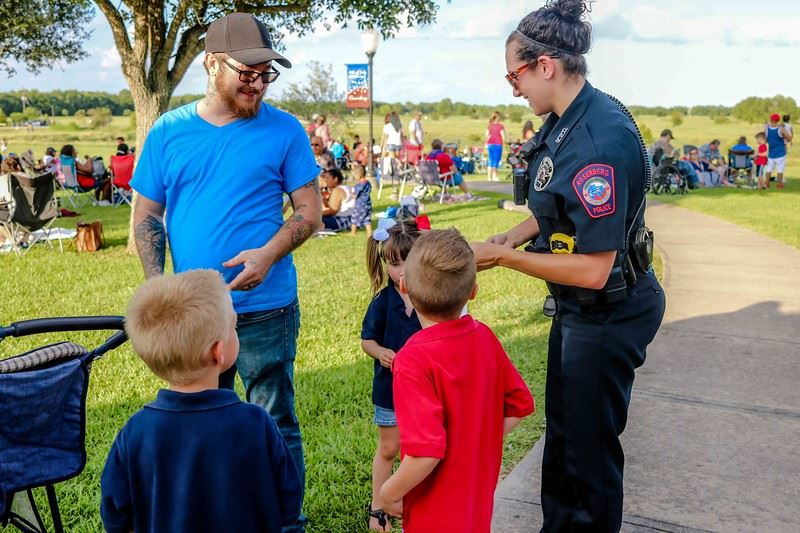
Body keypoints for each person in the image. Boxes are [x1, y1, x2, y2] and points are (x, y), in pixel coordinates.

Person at [470, 2, 666, 530]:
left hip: (608, 311)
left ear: (546, 67)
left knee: (588, 454)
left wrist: (506, 258)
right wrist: (512, 234)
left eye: (515, 74)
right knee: (563, 437)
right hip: (582, 310)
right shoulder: (567, 119)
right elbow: (553, 205)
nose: (513, 89)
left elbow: (595, 269)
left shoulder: (598, 141)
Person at [129, 13, 320, 532]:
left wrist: (269, 254)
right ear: (212, 64)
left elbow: (309, 213)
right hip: (197, 314)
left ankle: (285, 524)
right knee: (198, 426)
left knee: (275, 421)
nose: (258, 83)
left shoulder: (285, 130)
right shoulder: (169, 132)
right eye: (248, 71)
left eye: (267, 74)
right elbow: (146, 215)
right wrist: (158, 286)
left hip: (266, 309)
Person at [100, 270, 302, 533]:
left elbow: (115, 515)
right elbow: (289, 502)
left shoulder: (136, 431)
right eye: (234, 325)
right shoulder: (256, 422)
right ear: (218, 352)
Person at [379, 229, 535, 532]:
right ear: (473, 290)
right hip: (475, 505)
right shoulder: (485, 338)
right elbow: (518, 406)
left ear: (404, 285)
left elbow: (425, 452)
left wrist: (389, 492)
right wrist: (474, 444)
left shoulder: (412, 360)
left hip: (433, 514)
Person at [361, 218, 423, 531]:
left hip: (423, 392)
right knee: (388, 449)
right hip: (389, 389)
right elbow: (367, 340)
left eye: (407, 262)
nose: (400, 271)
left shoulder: (430, 297)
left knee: (419, 451)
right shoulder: (382, 302)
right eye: (393, 264)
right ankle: (378, 506)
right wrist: (379, 352)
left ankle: (411, 501)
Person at [764, 113, 792, 189]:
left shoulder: (767, 129)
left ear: (771, 119)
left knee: (769, 168)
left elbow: (765, 140)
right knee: (780, 168)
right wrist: (784, 137)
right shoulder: (781, 128)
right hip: (780, 153)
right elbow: (789, 138)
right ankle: (779, 184)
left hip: (771, 153)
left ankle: (767, 183)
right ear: (778, 120)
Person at [320, 167, 353, 231]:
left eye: (327, 178)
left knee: (312, 220)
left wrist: (318, 214)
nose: (325, 180)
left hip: (342, 220)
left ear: (335, 179)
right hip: (350, 220)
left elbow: (333, 211)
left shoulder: (338, 190)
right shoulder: (345, 187)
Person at [350, 164, 373, 236]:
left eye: (355, 176)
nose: (354, 178)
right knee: (367, 219)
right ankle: (369, 233)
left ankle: (353, 232)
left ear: (359, 176)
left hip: (360, 205)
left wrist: (352, 195)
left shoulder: (359, 185)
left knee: (354, 217)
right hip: (367, 203)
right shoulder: (368, 183)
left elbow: (355, 195)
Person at [485, 111, 506, 181]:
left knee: (490, 160)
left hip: (490, 144)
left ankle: (489, 177)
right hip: (498, 144)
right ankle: (494, 176)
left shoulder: (489, 125)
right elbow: (503, 136)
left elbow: (487, 135)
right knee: (496, 160)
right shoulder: (500, 126)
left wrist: (486, 143)